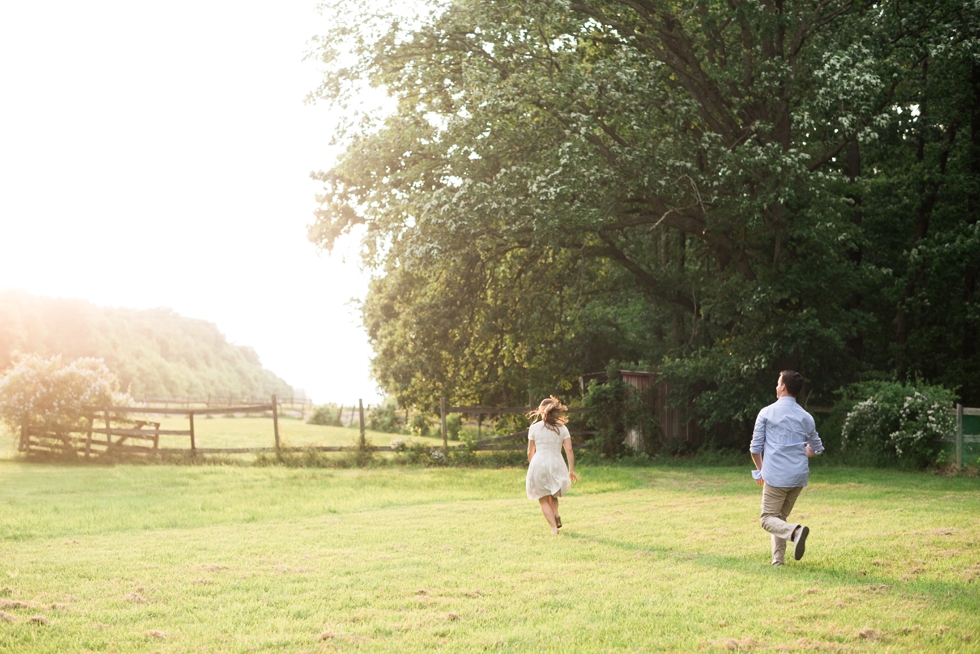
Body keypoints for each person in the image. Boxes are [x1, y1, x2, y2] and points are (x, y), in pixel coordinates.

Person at [749, 370, 824, 566]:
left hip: (776, 476)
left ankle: (795, 532)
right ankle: (778, 561)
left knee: (767, 519)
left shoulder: (766, 412)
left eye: (777, 382)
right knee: (779, 517)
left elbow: (755, 449)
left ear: (783, 387)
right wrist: (798, 454)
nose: (776, 386)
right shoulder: (806, 416)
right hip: (798, 477)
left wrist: (761, 471)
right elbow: (817, 448)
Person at [526, 395, 579, 534]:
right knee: (553, 494)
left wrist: (534, 466)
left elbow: (530, 451)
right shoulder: (562, 428)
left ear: (540, 410)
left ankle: (554, 528)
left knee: (543, 499)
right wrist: (571, 470)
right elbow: (569, 449)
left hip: (538, 462)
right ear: (555, 411)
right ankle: (555, 512)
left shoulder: (534, 427)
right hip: (556, 462)